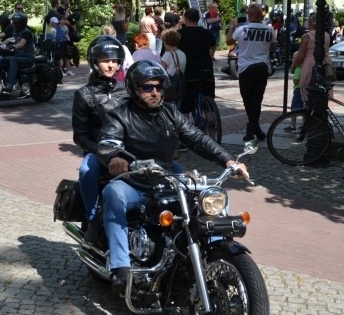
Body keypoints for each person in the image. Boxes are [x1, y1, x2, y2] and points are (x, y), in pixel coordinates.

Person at [97, 60, 249, 294]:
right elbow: (109, 141)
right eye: (147, 87)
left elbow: (197, 139)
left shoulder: (170, 113)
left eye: (158, 86)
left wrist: (229, 161)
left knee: (210, 196)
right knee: (112, 194)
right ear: (134, 89)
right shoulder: (120, 115)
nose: (154, 92)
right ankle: (120, 266)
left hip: (165, 180)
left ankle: (213, 252)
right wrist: (114, 158)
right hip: (134, 183)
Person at [71, 37, 128, 243]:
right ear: (95, 62)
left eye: (114, 60)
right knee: (87, 171)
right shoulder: (84, 94)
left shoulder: (127, 89)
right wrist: (99, 150)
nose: (111, 64)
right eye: (105, 60)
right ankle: (93, 218)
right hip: (98, 150)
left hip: (128, 149)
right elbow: (80, 135)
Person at [229, 3, 275, 141]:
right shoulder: (269, 29)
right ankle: (255, 129)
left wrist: (232, 26)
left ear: (250, 15)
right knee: (257, 99)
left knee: (248, 100)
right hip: (262, 67)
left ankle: (251, 130)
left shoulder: (242, 29)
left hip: (246, 68)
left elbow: (228, 41)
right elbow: (272, 47)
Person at [177, 8, 216, 115]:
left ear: (185, 19)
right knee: (208, 96)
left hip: (189, 69)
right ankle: (210, 119)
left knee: (186, 103)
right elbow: (213, 45)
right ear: (198, 19)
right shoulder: (207, 33)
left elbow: (170, 42)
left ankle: (185, 128)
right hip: (206, 67)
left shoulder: (180, 34)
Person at [292, 12, 333, 104]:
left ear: (310, 23)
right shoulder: (326, 35)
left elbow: (300, 56)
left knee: (308, 90)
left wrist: (293, 67)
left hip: (310, 63)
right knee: (322, 89)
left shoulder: (307, 36)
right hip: (325, 62)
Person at [2, 12, 35, 92]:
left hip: (27, 58)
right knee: (1, 59)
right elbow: (10, 40)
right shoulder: (15, 31)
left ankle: (10, 84)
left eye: (15, 22)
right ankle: (1, 82)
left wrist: (12, 46)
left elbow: (21, 44)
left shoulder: (26, 32)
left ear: (20, 23)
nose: (13, 23)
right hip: (19, 56)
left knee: (13, 60)